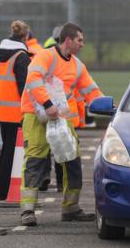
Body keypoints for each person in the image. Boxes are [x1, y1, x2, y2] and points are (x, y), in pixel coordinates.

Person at [20, 22, 104, 226]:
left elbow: (91, 91)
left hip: (61, 118)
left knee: (72, 159)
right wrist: (47, 104)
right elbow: (32, 79)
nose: (82, 44)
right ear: (68, 40)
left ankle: (71, 208)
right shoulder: (46, 56)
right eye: (80, 40)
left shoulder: (77, 66)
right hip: (36, 114)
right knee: (35, 161)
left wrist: (110, 107)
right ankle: (27, 211)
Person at [0, 20, 31, 201]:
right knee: (14, 153)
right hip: (17, 112)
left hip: (2, 111)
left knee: (7, 151)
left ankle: (2, 189)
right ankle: (4, 191)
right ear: (25, 36)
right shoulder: (21, 57)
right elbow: (25, 87)